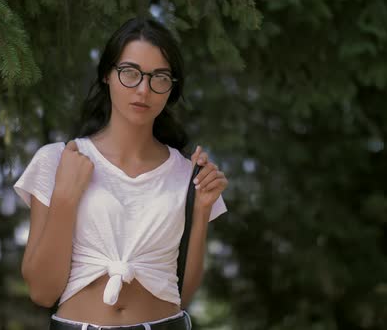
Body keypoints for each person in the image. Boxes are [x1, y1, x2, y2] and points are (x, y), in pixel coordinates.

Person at [14, 17, 229, 330]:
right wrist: (65, 197)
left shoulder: (188, 173)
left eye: (159, 77)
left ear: (171, 88)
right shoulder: (58, 160)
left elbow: (183, 295)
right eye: (130, 72)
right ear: (106, 75)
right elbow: (42, 292)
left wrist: (202, 209)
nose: (143, 89)